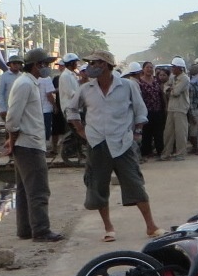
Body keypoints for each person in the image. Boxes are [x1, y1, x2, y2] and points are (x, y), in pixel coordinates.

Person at [66, 49, 160, 241]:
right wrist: (80, 130)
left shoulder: (127, 86)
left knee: (135, 184)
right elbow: (71, 109)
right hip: (97, 143)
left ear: (106, 65)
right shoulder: (86, 89)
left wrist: (137, 134)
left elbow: (140, 111)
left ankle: (151, 226)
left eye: (95, 63)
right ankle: (108, 228)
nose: (91, 67)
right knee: (98, 186)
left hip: (123, 143)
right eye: (90, 64)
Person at [4, 48, 63, 243]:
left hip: (27, 142)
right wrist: (13, 136)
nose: (47, 68)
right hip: (29, 143)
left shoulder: (29, 83)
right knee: (38, 189)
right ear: (37, 65)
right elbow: (13, 118)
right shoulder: (25, 84)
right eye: (45, 64)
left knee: (24, 189)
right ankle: (41, 230)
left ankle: (26, 228)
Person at [160, 57, 191, 161]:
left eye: (174, 67)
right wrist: (169, 89)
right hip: (171, 108)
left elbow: (176, 92)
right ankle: (166, 154)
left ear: (179, 68)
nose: (172, 69)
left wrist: (170, 89)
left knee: (180, 132)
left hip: (181, 108)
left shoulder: (185, 78)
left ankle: (180, 153)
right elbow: (165, 87)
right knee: (168, 133)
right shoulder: (173, 77)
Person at [56, 53, 83, 164]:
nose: (77, 64)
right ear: (71, 63)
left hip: (75, 108)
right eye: (75, 62)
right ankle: (70, 150)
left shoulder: (71, 75)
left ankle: (79, 153)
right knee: (77, 131)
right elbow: (71, 93)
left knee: (78, 132)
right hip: (70, 109)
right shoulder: (65, 76)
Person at [137, 61, 165, 160]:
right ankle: (146, 152)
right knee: (146, 133)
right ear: (143, 69)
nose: (149, 69)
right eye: (147, 67)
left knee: (158, 132)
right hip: (146, 111)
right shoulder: (140, 82)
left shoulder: (156, 81)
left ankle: (160, 151)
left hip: (157, 110)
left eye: (151, 67)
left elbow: (160, 95)